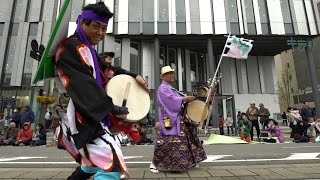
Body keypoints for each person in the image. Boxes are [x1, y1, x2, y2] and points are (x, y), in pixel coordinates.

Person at [54, 2, 130, 179]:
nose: (101, 33)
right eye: (96, 26)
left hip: (88, 114)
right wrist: (113, 109)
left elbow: (106, 69)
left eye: (104, 28)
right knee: (112, 167)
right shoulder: (71, 48)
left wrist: (133, 75)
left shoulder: (85, 48)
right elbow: (85, 86)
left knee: (90, 165)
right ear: (82, 23)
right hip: (81, 116)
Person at [150, 66, 206, 173]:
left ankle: (189, 161)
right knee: (166, 141)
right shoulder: (163, 88)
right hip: (169, 118)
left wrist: (185, 99)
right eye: (168, 74)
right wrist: (184, 99)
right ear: (163, 76)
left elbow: (177, 100)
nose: (172, 75)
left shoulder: (170, 88)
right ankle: (154, 163)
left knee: (186, 140)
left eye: (172, 73)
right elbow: (171, 101)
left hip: (177, 119)